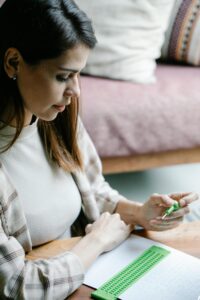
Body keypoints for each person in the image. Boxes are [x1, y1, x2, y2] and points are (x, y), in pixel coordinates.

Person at [0, 0, 198, 299]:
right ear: (13, 62)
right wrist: (96, 243)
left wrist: (139, 213)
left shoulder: (56, 116)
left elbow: (93, 191)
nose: (75, 91)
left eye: (79, 74)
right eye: (63, 76)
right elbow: (16, 286)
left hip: (82, 273)